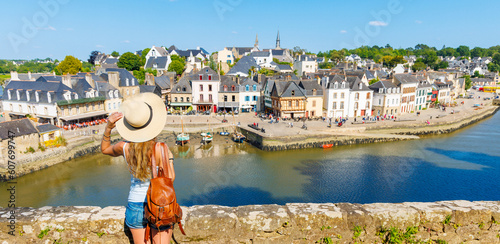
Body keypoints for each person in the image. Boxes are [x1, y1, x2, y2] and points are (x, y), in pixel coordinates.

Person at [101, 93, 174, 244]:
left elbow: (105, 149)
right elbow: (170, 179)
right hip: (158, 204)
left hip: (134, 205)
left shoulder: (124, 147)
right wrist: (170, 158)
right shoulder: (160, 148)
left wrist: (109, 127)